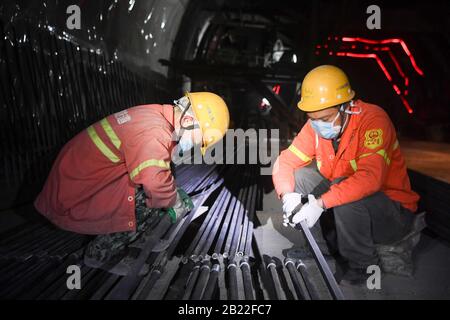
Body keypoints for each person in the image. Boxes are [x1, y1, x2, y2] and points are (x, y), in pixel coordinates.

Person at [34, 92, 230, 267]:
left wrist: (170, 192)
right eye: (199, 140)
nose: (195, 144)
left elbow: (156, 167)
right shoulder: (155, 133)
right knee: (151, 201)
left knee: (159, 192)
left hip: (82, 180)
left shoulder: (157, 114)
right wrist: (174, 202)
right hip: (75, 194)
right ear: (187, 120)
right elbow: (155, 182)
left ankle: (138, 236)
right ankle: (101, 255)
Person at [272, 65, 423, 285]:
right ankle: (318, 248)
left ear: (346, 107)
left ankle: (363, 264)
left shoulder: (373, 120)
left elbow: (370, 179)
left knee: (345, 187)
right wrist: (287, 196)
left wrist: (319, 204)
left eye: (325, 118)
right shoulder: (315, 125)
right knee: (301, 176)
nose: (319, 125)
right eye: (313, 118)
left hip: (391, 215)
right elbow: (285, 161)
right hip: (351, 211)